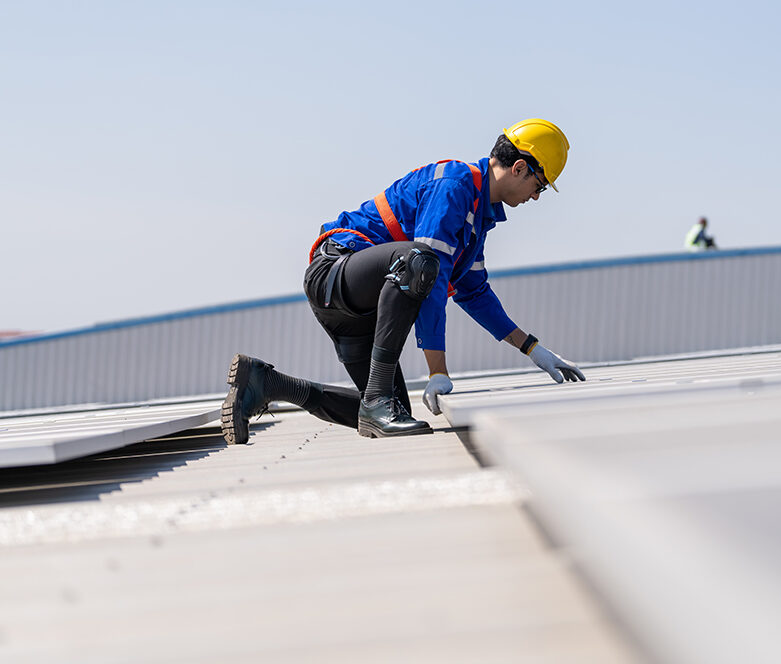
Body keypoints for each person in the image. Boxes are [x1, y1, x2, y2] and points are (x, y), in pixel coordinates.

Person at [220, 119, 586, 443]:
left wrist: (533, 349)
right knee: (420, 261)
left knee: (385, 414)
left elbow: (474, 293)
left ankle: (268, 384)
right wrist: (437, 370)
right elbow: (431, 272)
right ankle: (378, 398)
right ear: (519, 167)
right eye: (539, 185)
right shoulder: (456, 185)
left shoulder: (478, 219)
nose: (536, 197)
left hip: (359, 303)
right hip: (336, 273)